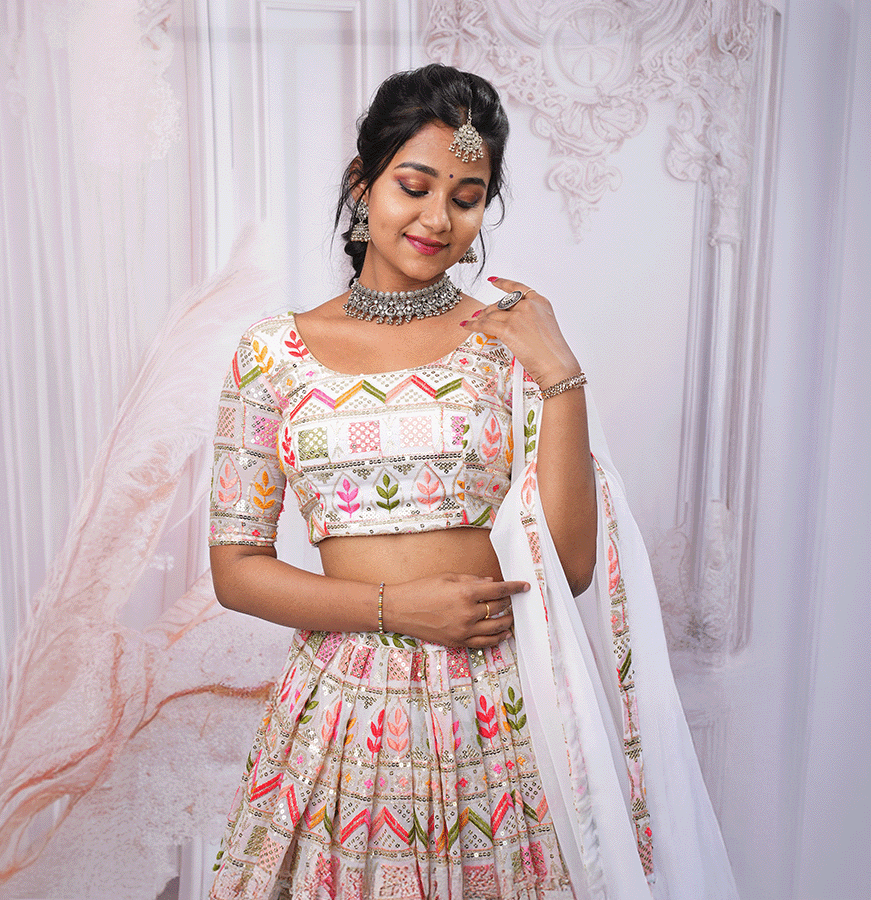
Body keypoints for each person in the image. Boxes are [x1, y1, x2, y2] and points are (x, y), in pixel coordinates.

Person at [207, 64, 738, 900]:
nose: (436, 219)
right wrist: (396, 609)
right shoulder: (272, 354)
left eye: (466, 197)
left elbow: (570, 568)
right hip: (343, 716)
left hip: (498, 713)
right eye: (413, 187)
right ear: (363, 183)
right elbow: (236, 570)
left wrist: (561, 375)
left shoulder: (508, 337)